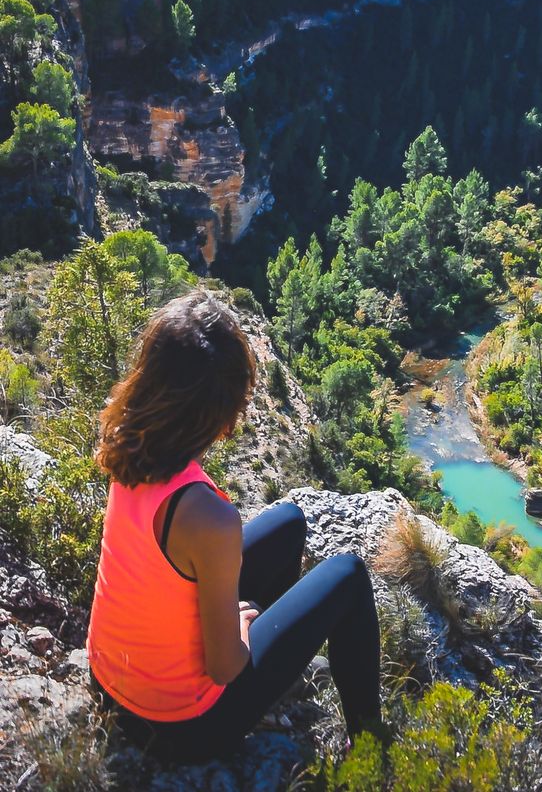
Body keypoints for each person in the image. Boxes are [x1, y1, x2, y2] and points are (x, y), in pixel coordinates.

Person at [86, 291, 381, 762]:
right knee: (347, 575)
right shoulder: (208, 518)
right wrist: (244, 628)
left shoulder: (128, 443)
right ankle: (369, 744)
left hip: (108, 684)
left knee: (290, 522)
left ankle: (273, 681)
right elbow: (224, 666)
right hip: (177, 728)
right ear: (221, 414)